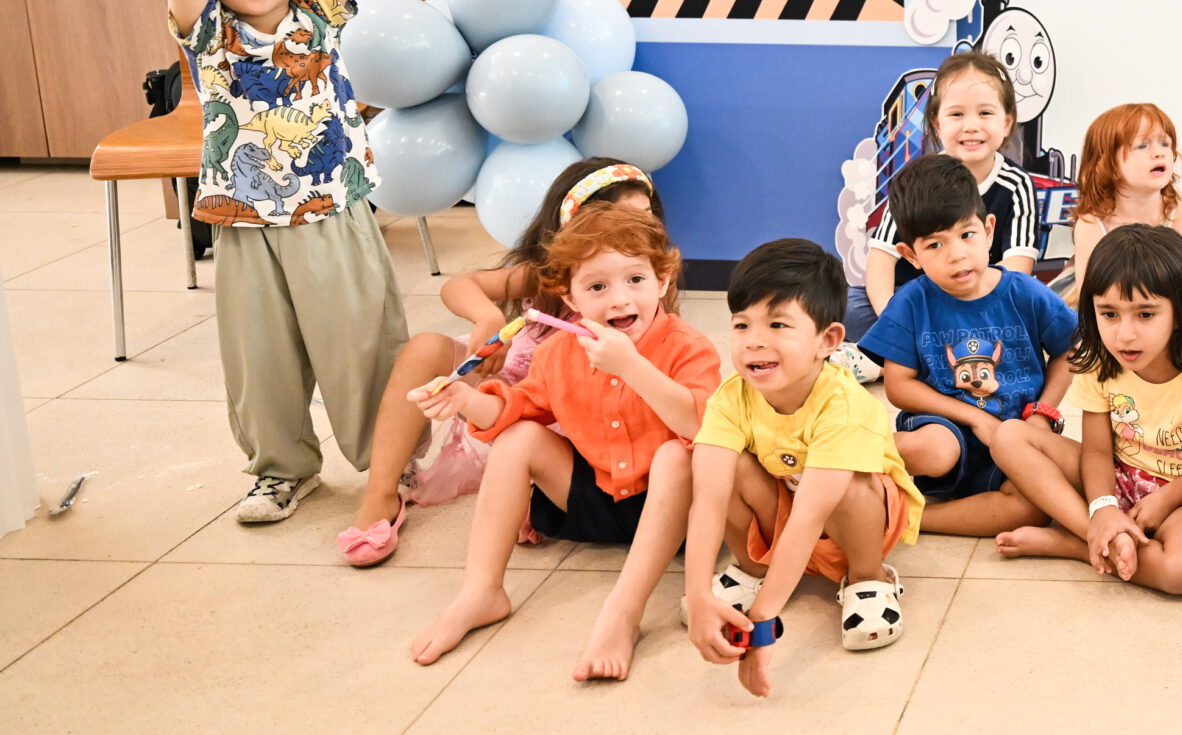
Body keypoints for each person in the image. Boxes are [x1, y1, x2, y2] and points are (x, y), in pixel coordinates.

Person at [158, 0, 408, 526]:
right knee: (258, 356)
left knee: (360, 343)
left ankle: (392, 463)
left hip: (331, 212)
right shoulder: (206, 31)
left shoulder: (319, 12)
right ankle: (280, 468)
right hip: (242, 220)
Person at [407, 206, 720, 679]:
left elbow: (701, 428)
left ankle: (623, 613)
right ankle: (481, 591)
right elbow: (516, 411)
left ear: (663, 280)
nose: (619, 299)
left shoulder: (688, 347)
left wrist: (632, 367)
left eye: (635, 279)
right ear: (568, 297)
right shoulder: (556, 353)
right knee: (518, 437)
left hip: (671, 515)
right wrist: (464, 399)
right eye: (597, 287)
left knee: (676, 455)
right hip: (592, 503)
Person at [340, 159, 661, 566]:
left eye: (645, 217)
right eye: (616, 220)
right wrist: (488, 318)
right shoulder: (546, 274)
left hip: (568, 427)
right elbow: (460, 285)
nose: (635, 231)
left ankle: (533, 488)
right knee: (424, 349)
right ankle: (381, 493)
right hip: (504, 401)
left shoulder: (643, 291)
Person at [684, 239, 924, 697]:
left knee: (851, 484)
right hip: (784, 515)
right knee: (724, 468)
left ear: (828, 341)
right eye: (742, 324)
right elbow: (708, 501)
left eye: (778, 324)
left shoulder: (842, 405)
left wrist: (762, 623)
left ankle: (868, 578)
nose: (755, 340)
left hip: (853, 522)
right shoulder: (731, 397)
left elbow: (810, 516)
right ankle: (753, 570)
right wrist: (697, 594)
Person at [991, 225, 1182, 593]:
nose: (1124, 334)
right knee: (1008, 437)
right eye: (1109, 314)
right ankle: (1097, 532)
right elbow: (1097, 451)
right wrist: (1103, 507)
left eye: (1145, 315)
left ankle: (1074, 545)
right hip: (1117, 476)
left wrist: (1167, 498)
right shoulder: (1099, 356)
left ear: (1181, 311)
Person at [862, 154, 1078, 536]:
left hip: (1014, 433)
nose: (957, 254)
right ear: (910, 255)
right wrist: (976, 418)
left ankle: (908, 518)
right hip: (943, 427)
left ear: (989, 230)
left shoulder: (1025, 292)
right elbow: (898, 386)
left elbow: (1069, 349)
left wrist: (1043, 413)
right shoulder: (911, 301)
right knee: (937, 450)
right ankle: (844, 462)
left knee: (1034, 505)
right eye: (935, 245)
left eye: (967, 235)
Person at [853, 50, 1043, 344]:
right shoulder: (917, 179)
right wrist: (893, 321)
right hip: (913, 299)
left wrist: (975, 315)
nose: (971, 125)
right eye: (957, 114)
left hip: (981, 305)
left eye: (985, 113)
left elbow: (1017, 271)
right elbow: (882, 257)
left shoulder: (1016, 185)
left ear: (1007, 122)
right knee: (850, 307)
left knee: (1037, 311)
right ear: (937, 123)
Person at [1052, 102, 1182, 329]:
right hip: (1106, 296)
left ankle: (1168, 337)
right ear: (1107, 164)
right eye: (1142, 146)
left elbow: (1179, 281)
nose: (1159, 152)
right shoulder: (1092, 222)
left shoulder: (1181, 216)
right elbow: (1090, 289)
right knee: (1060, 312)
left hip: (1164, 290)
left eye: (1165, 143)